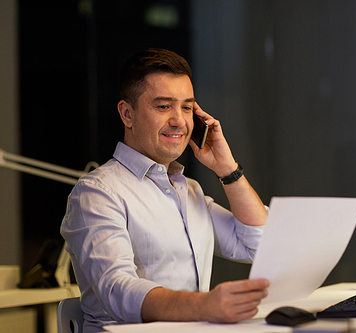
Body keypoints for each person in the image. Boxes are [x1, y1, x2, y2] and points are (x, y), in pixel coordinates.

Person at [60, 48, 269, 332]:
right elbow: (117, 290)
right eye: (163, 106)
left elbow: (258, 245)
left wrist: (227, 169)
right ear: (127, 113)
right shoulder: (97, 193)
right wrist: (204, 306)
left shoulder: (189, 190)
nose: (179, 121)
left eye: (186, 107)